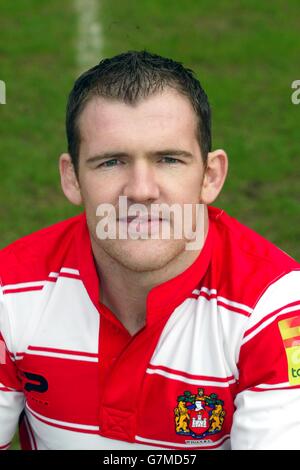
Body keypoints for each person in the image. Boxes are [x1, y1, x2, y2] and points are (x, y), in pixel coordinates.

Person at [0, 50, 300, 451]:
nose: (141, 190)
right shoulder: (9, 290)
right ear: (72, 178)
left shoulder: (274, 307)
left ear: (210, 176)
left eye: (169, 160)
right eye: (111, 162)